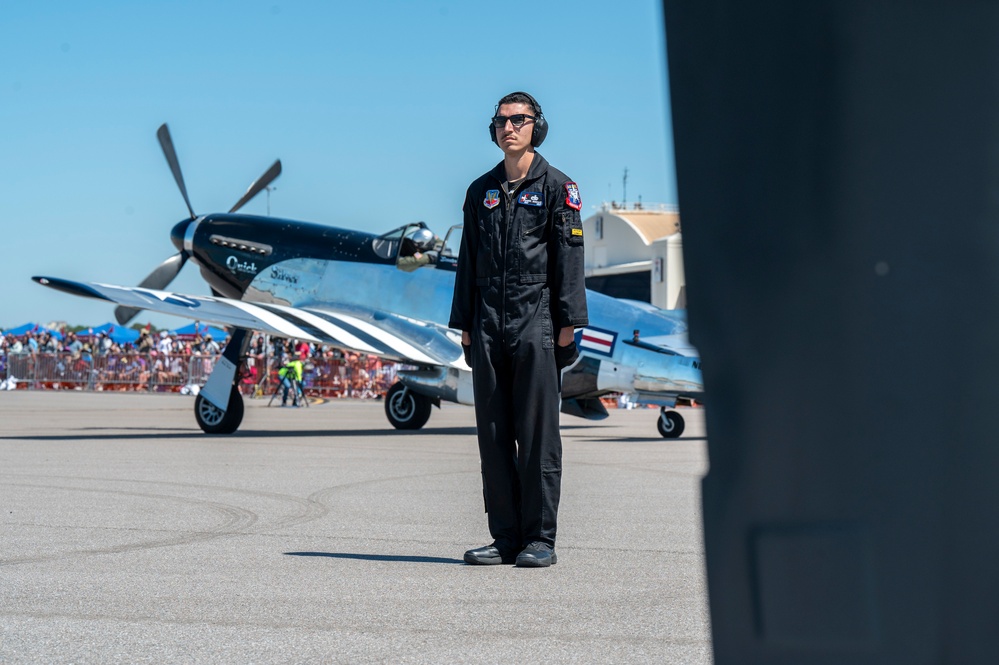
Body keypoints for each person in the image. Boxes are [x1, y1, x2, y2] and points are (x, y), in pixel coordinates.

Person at [449, 91, 588, 568]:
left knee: (537, 436)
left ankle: (540, 539)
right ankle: (505, 537)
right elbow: (468, 261)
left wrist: (568, 325)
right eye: (502, 121)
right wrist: (465, 323)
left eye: (519, 120)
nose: (509, 128)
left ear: (536, 126)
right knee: (493, 434)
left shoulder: (558, 187)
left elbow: (569, 260)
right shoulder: (479, 191)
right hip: (487, 322)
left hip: (538, 321)